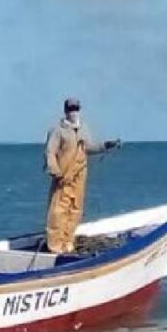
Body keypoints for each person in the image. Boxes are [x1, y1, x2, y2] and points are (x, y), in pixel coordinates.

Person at [43, 98, 122, 253]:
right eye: (71, 109)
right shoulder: (58, 130)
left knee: (75, 208)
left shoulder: (83, 128)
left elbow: (89, 147)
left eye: (76, 109)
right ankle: (55, 245)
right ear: (65, 110)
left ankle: (68, 242)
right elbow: (50, 152)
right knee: (58, 211)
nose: (74, 112)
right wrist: (55, 170)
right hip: (63, 175)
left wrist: (106, 145)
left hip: (79, 174)